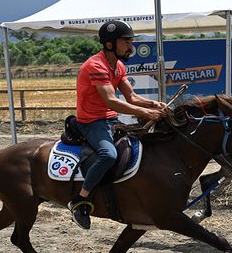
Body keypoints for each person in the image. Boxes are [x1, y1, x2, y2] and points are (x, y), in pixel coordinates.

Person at [68, 20, 167, 229]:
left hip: (110, 120)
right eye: (126, 41)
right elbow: (111, 101)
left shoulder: (119, 65)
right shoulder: (96, 66)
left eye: (131, 41)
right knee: (109, 155)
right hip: (91, 122)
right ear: (110, 44)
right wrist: (146, 112)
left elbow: (131, 97)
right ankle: (80, 200)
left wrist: (154, 103)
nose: (131, 46)